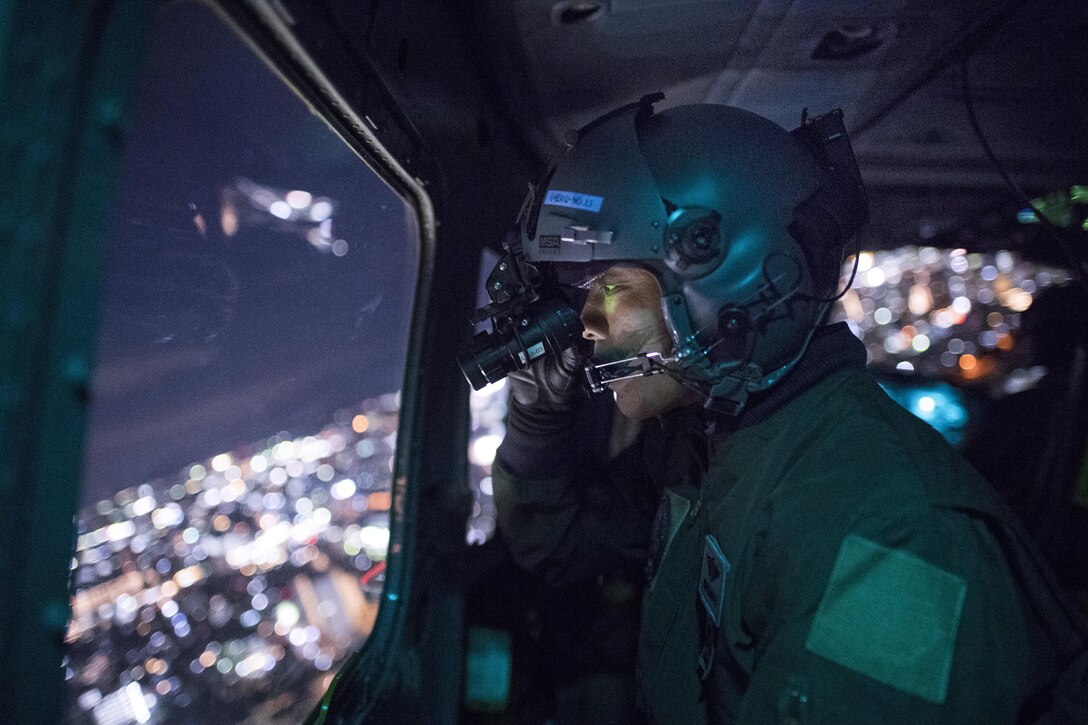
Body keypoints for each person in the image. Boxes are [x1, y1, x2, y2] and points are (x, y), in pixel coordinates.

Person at [488, 96, 1088, 723]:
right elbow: (560, 547)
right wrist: (537, 416)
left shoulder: (892, 533)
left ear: (737, 286)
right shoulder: (713, 439)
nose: (587, 324)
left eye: (608, 288)